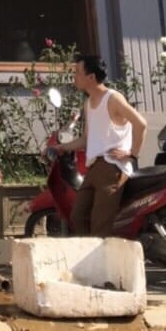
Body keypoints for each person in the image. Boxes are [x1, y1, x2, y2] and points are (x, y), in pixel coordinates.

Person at [54, 55, 147, 237]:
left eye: (77, 72)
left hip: (112, 168)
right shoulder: (88, 103)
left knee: (100, 224)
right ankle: (91, 252)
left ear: (91, 77)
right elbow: (86, 139)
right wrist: (62, 147)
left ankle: (102, 254)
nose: (74, 76)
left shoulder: (113, 99)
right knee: (78, 216)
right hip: (94, 166)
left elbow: (141, 124)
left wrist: (132, 155)